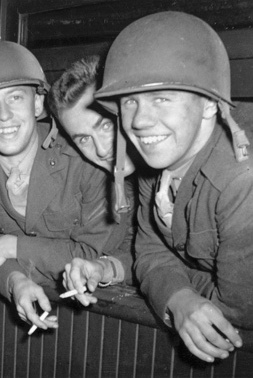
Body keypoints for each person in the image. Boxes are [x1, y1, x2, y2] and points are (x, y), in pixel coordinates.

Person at [94, 11, 252, 363]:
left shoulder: (243, 178)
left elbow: (241, 308)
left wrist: (172, 284)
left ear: (211, 102)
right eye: (129, 100)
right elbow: (149, 250)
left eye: (162, 97)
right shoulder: (162, 157)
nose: (139, 120)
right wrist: (179, 299)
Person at [0, 41, 133, 333]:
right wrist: (15, 282)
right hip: (23, 310)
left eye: (14, 97)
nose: (3, 115)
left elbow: (93, 255)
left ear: (37, 103)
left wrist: (12, 246)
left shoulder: (86, 155)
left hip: (99, 312)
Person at [48, 56, 138, 306]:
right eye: (83, 139)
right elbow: (144, 252)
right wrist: (103, 267)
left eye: (106, 126)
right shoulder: (120, 183)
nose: (100, 150)